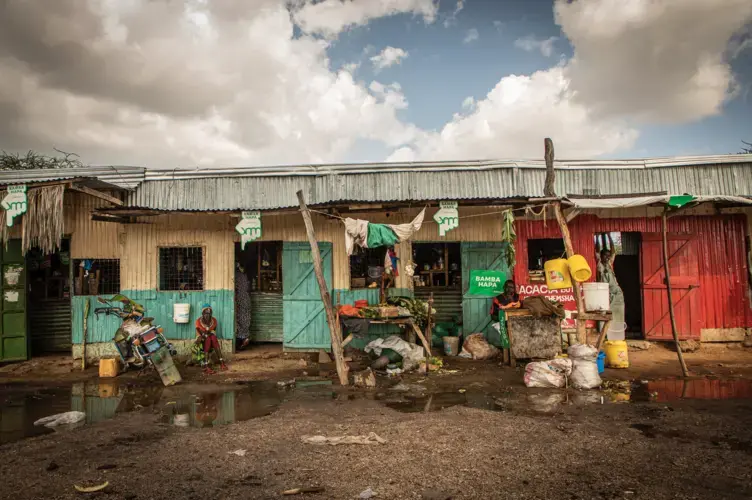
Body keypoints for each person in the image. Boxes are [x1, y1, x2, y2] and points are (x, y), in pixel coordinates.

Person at [596, 233, 625, 324]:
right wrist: (597, 237)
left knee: (617, 311)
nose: (608, 257)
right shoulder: (599, 263)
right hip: (605, 292)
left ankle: (617, 327)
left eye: (608, 256)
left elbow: (613, 251)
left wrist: (609, 236)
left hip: (615, 290)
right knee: (605, 312)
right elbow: (597, 250)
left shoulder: (610, 264)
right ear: (601, 256)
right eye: (605, 255)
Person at [192, 304, 227, 374]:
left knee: (213, 338)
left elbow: (213, 332)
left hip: (210, 336)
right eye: (205, 313)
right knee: (207, 339)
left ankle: (222, 362)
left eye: (209, 313)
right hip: (201, 338)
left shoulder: (214, 321)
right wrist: (207, 332)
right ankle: (206, 365)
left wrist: (208, 332)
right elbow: (202, 334)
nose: (207, 315)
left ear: (211, 313)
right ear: (202, 313)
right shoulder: (198, 322)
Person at [489, 280, 520, 349]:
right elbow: (493, 315)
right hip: (502, 320)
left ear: (514, 289)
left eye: (511, 287)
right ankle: (508, 349)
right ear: (504, 287)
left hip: (517, 320)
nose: (509, 289)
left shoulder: (517, 297)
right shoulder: (497, 298)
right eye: (507, 287)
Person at [235, 263, 251, 350]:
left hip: (240, 300)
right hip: (247, 299)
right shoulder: (244, 276)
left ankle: (242, 339)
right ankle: (245, 337)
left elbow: (235, 289)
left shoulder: (236, 275)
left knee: (239, 319)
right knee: (246, 319)